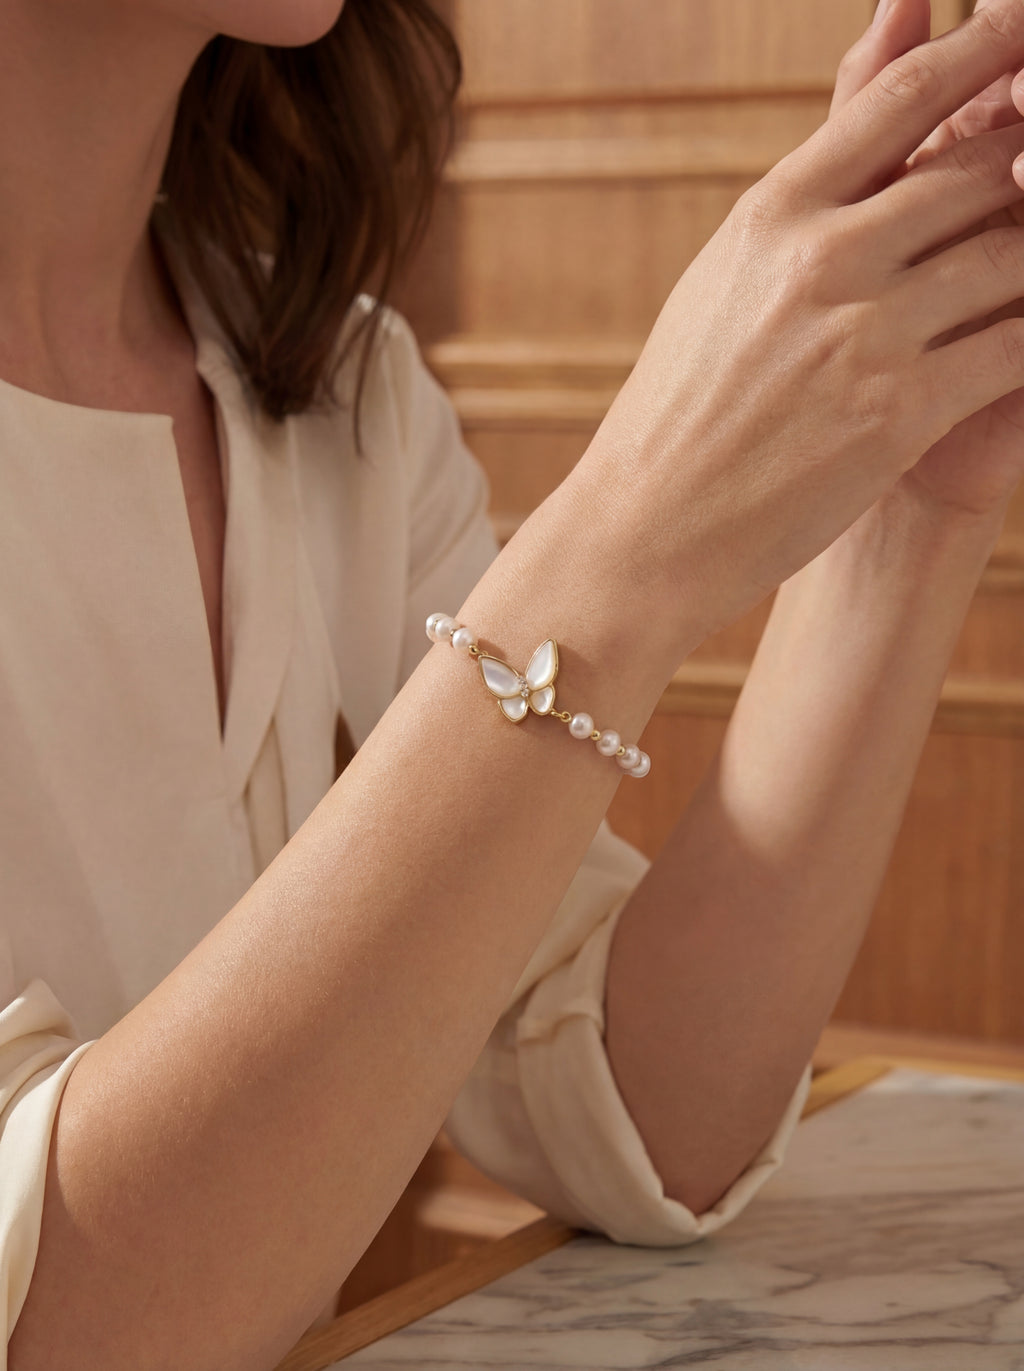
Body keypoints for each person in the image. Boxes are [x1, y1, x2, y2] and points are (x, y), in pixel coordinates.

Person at [3, 0, 1024, 1364]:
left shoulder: (345, 391)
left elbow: (643, 1108)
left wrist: (910, 492)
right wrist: (623, 547)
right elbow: (67, 1327)